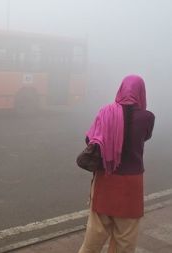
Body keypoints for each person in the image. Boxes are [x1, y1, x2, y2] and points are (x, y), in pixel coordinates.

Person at [78, 75, 155, 253]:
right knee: (125, 240)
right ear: (141, 92)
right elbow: (146, 137)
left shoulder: (106, 112)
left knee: (94, 237)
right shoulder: (147, 117)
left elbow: (90, 139)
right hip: (131, 184)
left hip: (106, 179)